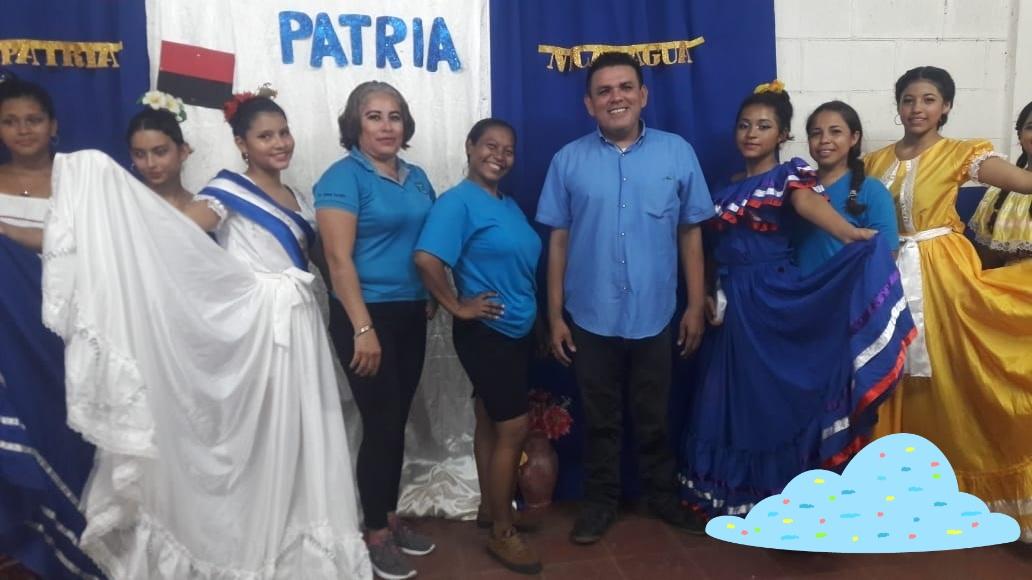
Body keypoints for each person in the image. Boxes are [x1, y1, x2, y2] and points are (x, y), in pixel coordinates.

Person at [47, 88, 372, 578]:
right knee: (258, 437)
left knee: (299, 431)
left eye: (284, 132)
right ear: (242, 144)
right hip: (256, 332)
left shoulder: (299, 197)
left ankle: (294, 530)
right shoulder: (224, 192)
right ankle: (242, 537)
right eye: (265, 136)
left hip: (298, 324)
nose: (279, 142)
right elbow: (174, 239)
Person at [678, 82, 915, 520]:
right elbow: (711, 247)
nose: (752, 133)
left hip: (771, 298)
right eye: (745, 125)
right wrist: (708, 290)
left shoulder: (786, 177)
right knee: (728, 397)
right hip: (731, 305)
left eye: (764, 126)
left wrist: (852, 234)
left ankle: (781, 493)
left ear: (782, 135)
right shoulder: (720, 188)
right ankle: (731, 495)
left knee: (772, 397)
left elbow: (810, 206)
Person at [535, 51, 712, 544]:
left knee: (655, 416)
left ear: (643, 96)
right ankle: (599, 503)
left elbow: (691, 234)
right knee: (599, 420)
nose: (617, 97)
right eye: (605, 91)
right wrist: (554, 314)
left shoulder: (677, 153)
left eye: (625, 88)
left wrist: (695, 304)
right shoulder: (567, 160)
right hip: (589, 315)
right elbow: (559, 241)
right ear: (589, 104)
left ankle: (660, 498)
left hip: (656, 314)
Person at [865, 66, 1032, 542]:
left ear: (947, 107)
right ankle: (903, 488)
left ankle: (970, 484)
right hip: (889, 277)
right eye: (909, 99)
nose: (918, 108)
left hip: (945, 279)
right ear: (897, 106)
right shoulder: (874, 162)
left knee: (959, 375)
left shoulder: (963, 153)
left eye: (929, 99)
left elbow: (1023, 182)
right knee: (897, 377)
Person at [315, 81, 436, 580]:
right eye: (374, 116)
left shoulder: (418, 176)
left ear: (405, 124)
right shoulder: (342, 177)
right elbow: (337, 261)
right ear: (355, 124)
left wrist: (430, 295)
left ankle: (387, 513)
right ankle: (374, 534)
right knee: (382, 424)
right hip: (364, 315)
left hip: (410, 313)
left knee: (397, 420)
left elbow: (427, 243)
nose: (386, 126)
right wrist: (363, 327)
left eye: (394, 116)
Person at [414, 119, 543, 575]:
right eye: (490, 146)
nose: (500, 156)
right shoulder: (457, 203)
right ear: (469, 148)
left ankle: (492, 510)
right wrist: (455, 305)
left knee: (491, 421)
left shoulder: (507, 204)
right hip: (488, 333)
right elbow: (427, 258)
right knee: (513, 429)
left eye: (508, 149)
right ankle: (503, 533)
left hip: (517, 331)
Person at [0, 76, 106, 580]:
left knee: (76, 434)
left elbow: (103, 252)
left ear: (54, 126)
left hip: (73, 329)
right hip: (8, 344)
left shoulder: (80, 183)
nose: (23, 130)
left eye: (33, 120)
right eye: (11, 121)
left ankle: (89, 539)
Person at [793, 100, 899, 275]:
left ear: (854, 138)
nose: (824, 140)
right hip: (801, 296)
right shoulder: (797, 188)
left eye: (835, 132)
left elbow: (888, 255)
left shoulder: (872, 190)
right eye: (816, 133)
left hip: (849, 296)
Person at [969, 99, 1032, 266]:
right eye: (1031, 127)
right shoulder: (998, 192)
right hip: (1008, 287)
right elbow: (989, 262)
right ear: (1020, 136)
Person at [126, 91, 194, 209]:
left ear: (183, 151)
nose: (150, 163)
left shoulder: (204, 210)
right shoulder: (126, 206)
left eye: (160, 152)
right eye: (139, 154)